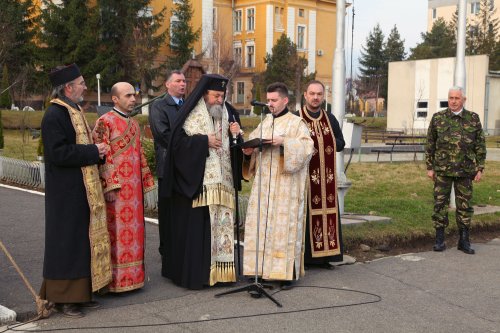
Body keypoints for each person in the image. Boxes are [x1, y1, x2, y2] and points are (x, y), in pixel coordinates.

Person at [40, 64, 111, 318]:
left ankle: (81, 295)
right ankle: (63, 300)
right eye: (81, 83)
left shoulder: (74, 110)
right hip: (65, 193)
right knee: (66, 244)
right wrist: (94, 151)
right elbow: (58, 153)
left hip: (81, 190)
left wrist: (98, 152)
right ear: (68, 87)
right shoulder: (54, 115)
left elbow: (81, 145)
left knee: (82, 242)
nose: (85, 87)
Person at [161, 74, 241, 289]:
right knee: (199, 231)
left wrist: (237, 135)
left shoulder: (229, 112)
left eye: (222, 96)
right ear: (205, 94)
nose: (219, 100)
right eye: (215, 95)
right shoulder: (189, 113)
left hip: (223, 183)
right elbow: (176, 144)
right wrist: (203, 141)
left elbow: (235, 145)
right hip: (198, 184)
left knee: (220, 229)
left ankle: (221, 275)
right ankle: (198, 275)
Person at [242, 82, 314, 288]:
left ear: (285, 100)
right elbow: (252, 143)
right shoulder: (264, 122)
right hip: (264, 186)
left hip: (286, 187)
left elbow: (307, 148)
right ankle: (257, 270)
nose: (270, 104)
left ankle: (283, 273)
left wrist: (284, 142)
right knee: (260, 226)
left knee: (283, 229)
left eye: (274, 100)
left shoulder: (296, 123)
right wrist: (249, 152)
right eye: (268, 100)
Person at [92, 82, 155, 292]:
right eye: (128, 96)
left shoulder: (135, 125)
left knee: (134, 234)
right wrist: (109, 185)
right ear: (115, 99)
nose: (133, 99)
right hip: (117, 191)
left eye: (134, 95)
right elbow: (102, 155)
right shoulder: (105, 121)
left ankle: (133, 279)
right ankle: (113, 282)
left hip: (134, 192)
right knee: (116, 235)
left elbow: (140, 156)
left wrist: (146, 182)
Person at [425, 86, 486, 255]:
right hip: (442, 171)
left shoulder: (473, 118)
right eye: (450, 97)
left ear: (463, 100)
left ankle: (464, 240)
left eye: (457, 98)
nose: (453, 101)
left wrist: (480, 168)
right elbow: (430, 144)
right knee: (439, 205)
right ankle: (439, 239)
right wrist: (429, 167)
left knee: (465, 206)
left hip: (465, 171)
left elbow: (480, 145)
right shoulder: (438, 118)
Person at [295, 80, 346, 270]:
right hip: (306, 177)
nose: (315, 97)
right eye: (312, 94)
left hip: (328, 180)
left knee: (328, 214)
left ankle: (326, 257)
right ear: (305, 95)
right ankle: (307, 259)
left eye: (319, 94)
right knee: (307, 214)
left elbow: (340, 142)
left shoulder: (330, 118)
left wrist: (328, 143)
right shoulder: (297, 117)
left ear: (323, 96)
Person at [149, 70, 186, 257]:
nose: (183, 84)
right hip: (168, 166)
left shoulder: (189, 105)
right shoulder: (159, 106)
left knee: (183, 211)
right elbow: (163, 135)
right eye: (178, 81)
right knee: (168, 211)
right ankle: (167, 250)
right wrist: (190, 146)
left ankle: (182, 247)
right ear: (168, 84)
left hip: (187, 168)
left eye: (184, 81)